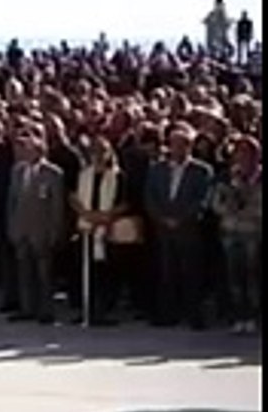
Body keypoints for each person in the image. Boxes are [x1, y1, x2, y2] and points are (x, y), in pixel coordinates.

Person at [145, 122, 213, 330]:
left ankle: (194, 314)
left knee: (191, 272)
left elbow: (203, 199)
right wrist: (161, 217)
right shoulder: (157, 169)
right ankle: (168, 314)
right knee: (167, 272)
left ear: (189, 147)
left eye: (183, 145)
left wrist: (182, 218)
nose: (177, 149)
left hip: (189, 228)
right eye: (174, 144)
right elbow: (150, 197)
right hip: (163, 228)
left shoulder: (201, 171)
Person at [6, 126, 65, 325]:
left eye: (28, 148)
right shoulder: (17, 171)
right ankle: (26, 308)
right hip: (21, 228)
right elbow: (12, 202)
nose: (23, 152)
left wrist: (55, 230)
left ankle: (46, 310)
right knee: (24, 271)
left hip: (42, 229)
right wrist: (12, 227)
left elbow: (57, 205)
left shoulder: (53, 173)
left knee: (44, 273)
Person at [70, 135, 129, 326]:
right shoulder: (83, 174)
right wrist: (86, 214)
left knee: (106, 272)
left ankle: (104, 310)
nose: (98, 155)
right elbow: (73, 196)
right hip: (87, 226)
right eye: (94, 151)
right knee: (87, 271)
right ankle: (88, 309)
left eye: (102, 151)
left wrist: (105, 217)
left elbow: (125, 202)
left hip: (108, 228)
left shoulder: (118, 176)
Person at [210, 135, 261, 335]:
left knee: (252, 275)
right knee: (234, 276)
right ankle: (238, 314)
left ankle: (253, 315)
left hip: (253, 231)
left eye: (247, 153)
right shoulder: (226, 177)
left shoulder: (259, 177)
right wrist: (228, 207)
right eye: (239, 152)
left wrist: (247, 204)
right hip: (230, 231)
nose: (242, 157)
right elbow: (215, 203)